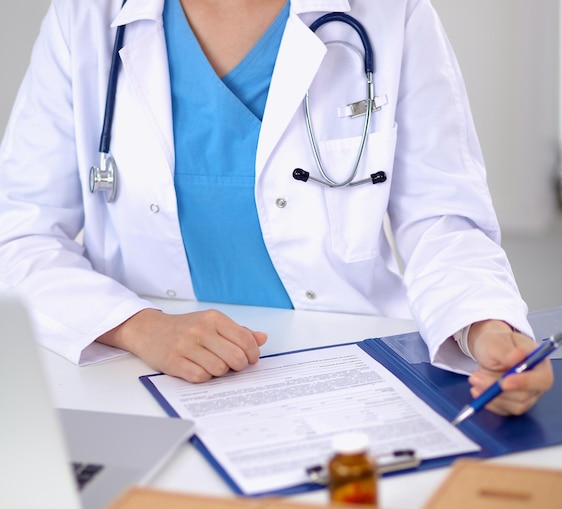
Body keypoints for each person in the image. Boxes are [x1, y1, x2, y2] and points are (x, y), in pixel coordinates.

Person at [0, 0, 553, 416]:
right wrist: (138, 327)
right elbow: (20, 230)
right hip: (142, 378)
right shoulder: (88, 15)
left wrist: (482, 325)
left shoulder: (389, 11)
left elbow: (440, 216)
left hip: (349, 376)